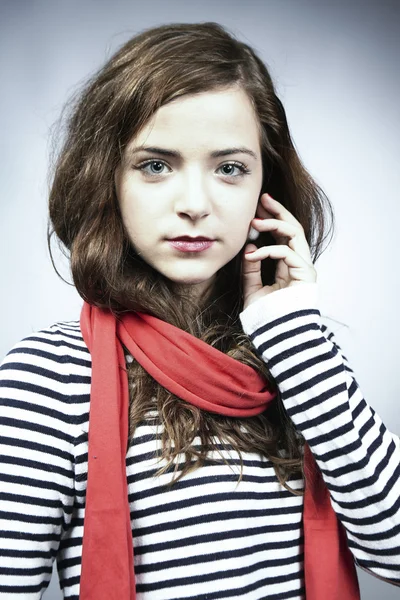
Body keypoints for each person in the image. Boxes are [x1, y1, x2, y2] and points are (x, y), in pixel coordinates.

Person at [0, 21, 399, 600]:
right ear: (107, 180)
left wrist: (293, 333)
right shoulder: (51, 375)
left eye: (229, 168)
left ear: (268, 187)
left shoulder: (302, 355)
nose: (194, 204)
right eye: (156, 165)